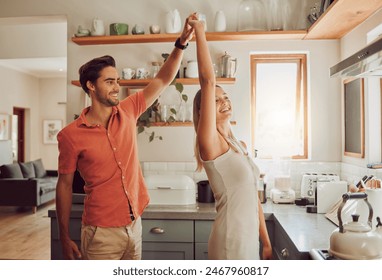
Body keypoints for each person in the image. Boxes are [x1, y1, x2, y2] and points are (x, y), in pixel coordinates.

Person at [55, 16, 195, 260]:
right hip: (100, 233)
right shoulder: (70, 135)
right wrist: (64, 237)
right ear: (90, 85)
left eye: (117, 81)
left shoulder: (129, 110)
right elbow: (64, 186)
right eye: (109, 82)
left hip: (134, 225)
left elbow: (162, 79)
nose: (116, 87)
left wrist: (181, 43)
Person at [189, 14, 272, 260]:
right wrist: (200, 31)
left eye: (225, 97)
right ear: (203, 112)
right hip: (230, 241)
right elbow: (207, 80)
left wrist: (265, 242)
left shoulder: (240, 145)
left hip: (248, 240)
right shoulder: (210, 144)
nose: (223, 101)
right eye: (215, 99)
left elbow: (252, 197)